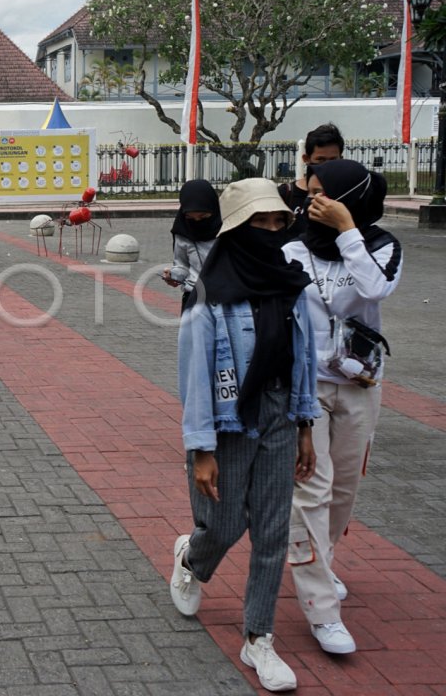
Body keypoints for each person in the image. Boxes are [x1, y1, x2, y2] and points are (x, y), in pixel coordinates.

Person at [171, 178, 319, 693]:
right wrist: (201, 451)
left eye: (279, 221)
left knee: (273, 530)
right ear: (235, 229)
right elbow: (194, 379)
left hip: (279, 413)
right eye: (261, 222)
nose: (273, 230)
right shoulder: (209, 297)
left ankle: (259, 636)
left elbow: (302, 362)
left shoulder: (291, 287)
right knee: (223, 523)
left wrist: (304, 426)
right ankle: (192, 557)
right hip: (230, 419)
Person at [283, 159, 401, 656]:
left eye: (322, 195)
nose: (313, 204)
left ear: (349, 200)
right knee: (311, 492)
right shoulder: (290, 246)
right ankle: (321, 611)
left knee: (343, 493)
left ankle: (323, 567)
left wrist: (348, 230)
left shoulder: (381, 246)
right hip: (306, 389)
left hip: (359, 386)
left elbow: (375, 289)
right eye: (308, 194)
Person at [279, 123, 345, 236]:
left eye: (333, 160)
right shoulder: (286, 194)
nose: (327, 166)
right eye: (321, 160)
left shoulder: (346, 193)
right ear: (306, 159)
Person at [165, 179, 222, 308]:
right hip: (194, 299)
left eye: (203, 217)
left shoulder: (229, 230)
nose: (197, 222)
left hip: (227, 299)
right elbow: (182, 264)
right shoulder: (183, 232)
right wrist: (173, 275)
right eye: (190, 218)